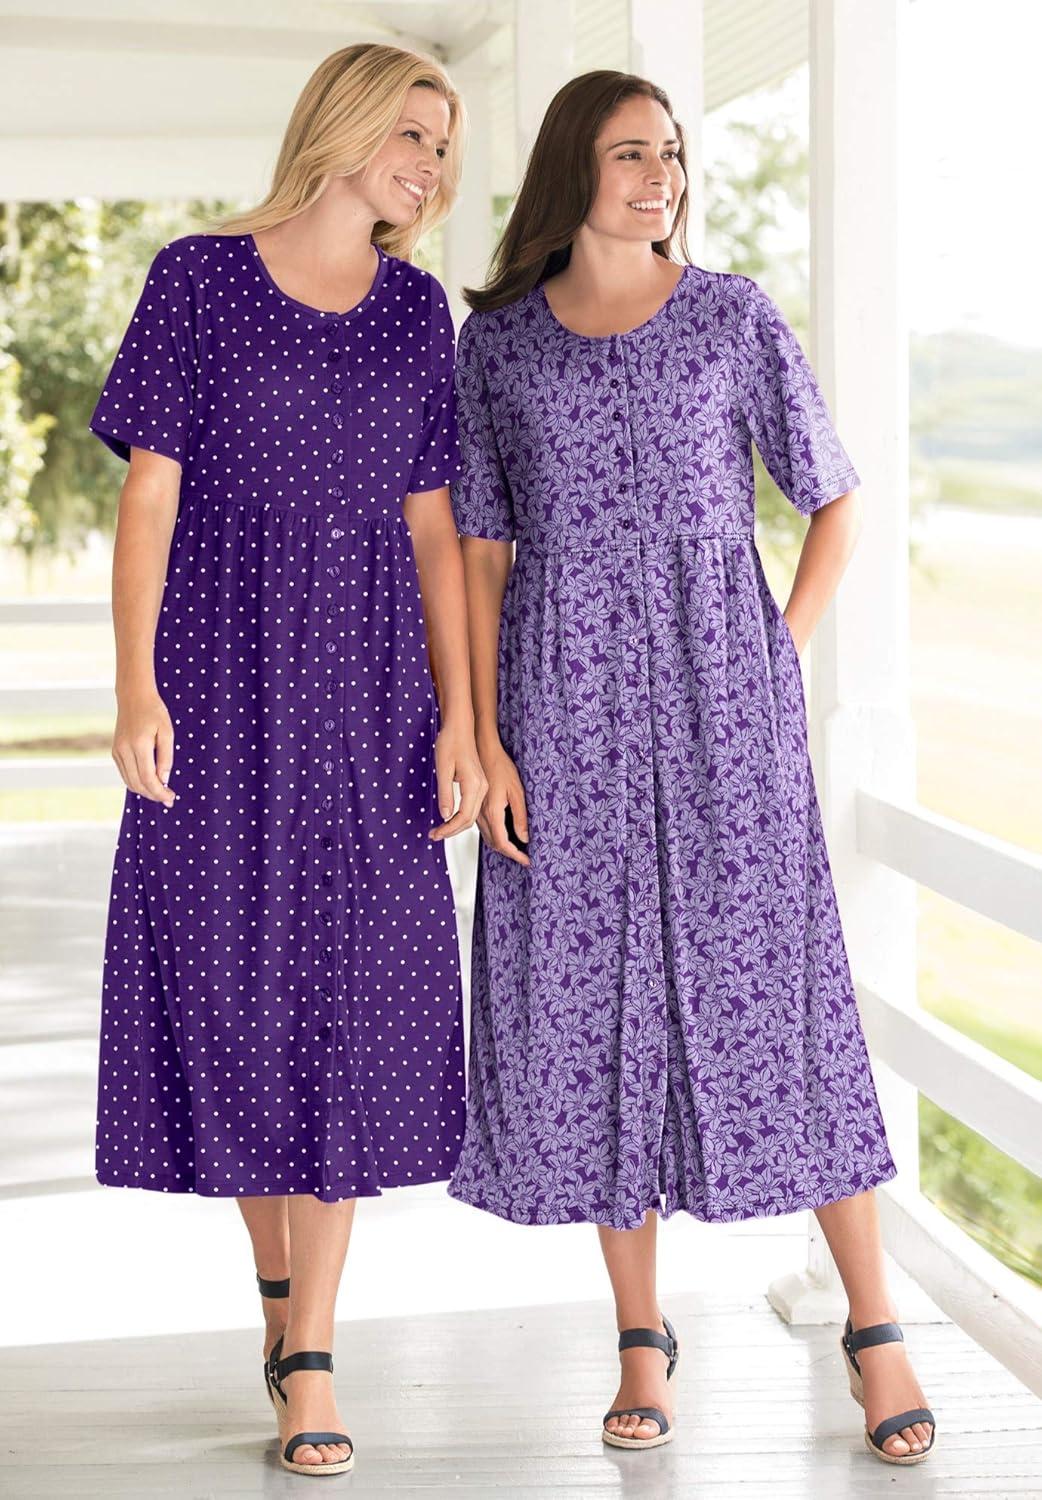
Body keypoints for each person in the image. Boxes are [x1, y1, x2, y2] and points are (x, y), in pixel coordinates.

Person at [447, 70, 935, 1466]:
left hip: (727, 703)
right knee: (593, 1005)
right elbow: (480, 554)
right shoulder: (499, 349)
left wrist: (778, 647)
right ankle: (638, 1339)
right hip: (561, 707)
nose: (659, 175)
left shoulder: (731, 316)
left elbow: (833, 495)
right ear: (571, 170)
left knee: (784, 992)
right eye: (628, 153)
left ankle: (875, 1327)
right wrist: (486, 737)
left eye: (669, 152)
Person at [89, 43, 485, 1477]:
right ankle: (278, 1300)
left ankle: (311, 1353)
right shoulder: (197, 279)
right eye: (412, 132)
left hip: (373, 698)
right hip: (216, 681)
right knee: (233, 1002)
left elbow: (435, 528)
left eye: (442, 143)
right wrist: (133, 682)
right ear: (342, 125)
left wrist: (461, 715)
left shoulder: (417, 312)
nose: (430, 164)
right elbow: (149, 494)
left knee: (357, 1011)